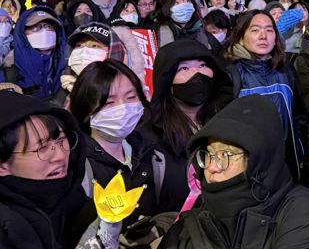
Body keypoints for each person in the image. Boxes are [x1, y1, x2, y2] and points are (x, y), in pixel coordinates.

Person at [159, 94, 309, 248]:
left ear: (258, 159)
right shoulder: (190, 225)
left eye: (225, 154)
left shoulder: (303, 213)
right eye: (208, 154)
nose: (212, 167)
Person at [69, 59, 169, 241]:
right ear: (86, 109)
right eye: (109, 102)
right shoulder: (75, 164)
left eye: (131, 98)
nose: (123, 108)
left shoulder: (153, 154)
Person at [0, 91, 113, 248]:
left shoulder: (73, 195)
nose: (60, 156)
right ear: (2, 165)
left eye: (61, 141)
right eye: (43, 148)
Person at [147, 39, 233, 209]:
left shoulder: (227, 121)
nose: (197, 74)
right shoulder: (152, 137)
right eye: (184, 68)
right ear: (167, 81)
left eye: (202, 65)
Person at [225, 10, 303, 180]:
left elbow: (297, 117)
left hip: (286, 168)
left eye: (269, 30)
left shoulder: (285, 71)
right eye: (255, 30)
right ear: (240, 37)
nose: (263, 36)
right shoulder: (231, 76)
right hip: (248, 172)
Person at [3, 7, 68, 99]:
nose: (44, 32)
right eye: (35, 27)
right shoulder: (8, 72)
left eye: (49, 27)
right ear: (22, 34)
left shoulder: (67, 66)